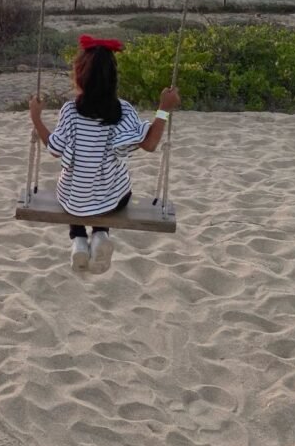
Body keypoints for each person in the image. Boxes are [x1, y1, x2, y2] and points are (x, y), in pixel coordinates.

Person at [29, 34, 181, 274]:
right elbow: (151, 144)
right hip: (112, 202)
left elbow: (55, 149)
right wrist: (163, 109)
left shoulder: (70, 111)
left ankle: (79, 239)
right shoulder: (122, 110)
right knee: (110, 191)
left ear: (80, 77)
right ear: (113, 79)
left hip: (74, 202)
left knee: (73, 191)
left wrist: (36, 118)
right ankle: (100, 234)